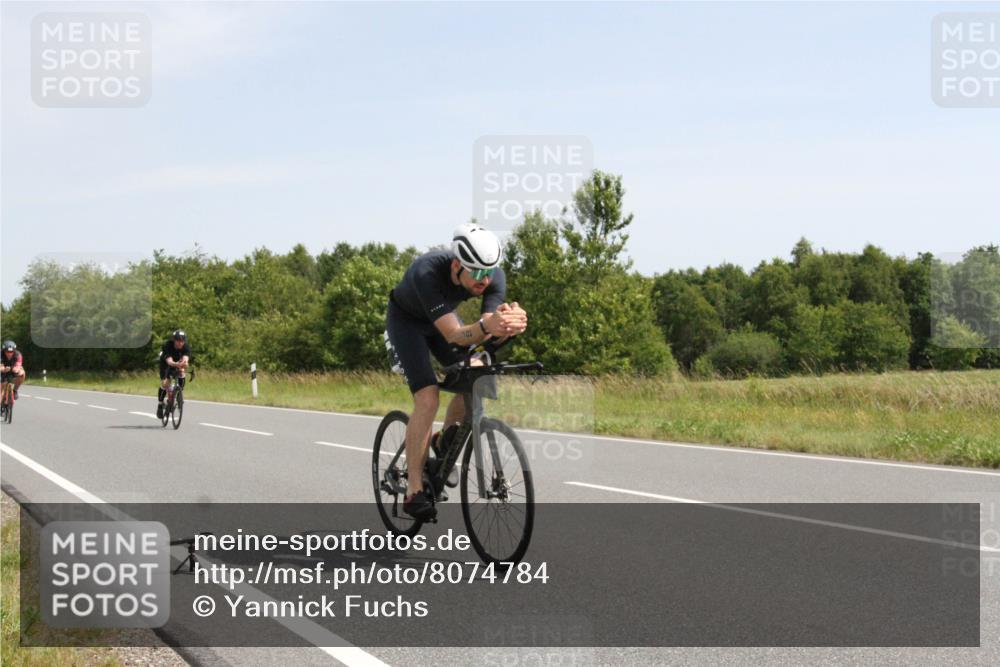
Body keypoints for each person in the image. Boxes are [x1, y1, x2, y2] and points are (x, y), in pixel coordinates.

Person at [385, 224, 528, 520]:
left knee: (477, 374)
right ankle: (414, 490)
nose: (484, 280)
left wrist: (508, 327)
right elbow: (454, 335)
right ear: (455, 265)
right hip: (408, 324)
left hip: (444, 324)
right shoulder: (426, 272)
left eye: (488, 272)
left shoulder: (491, 275)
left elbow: (487, 329)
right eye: (476, 273)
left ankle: (443, 440)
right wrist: (489, 327)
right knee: (428, 398)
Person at [157, 330, 191, 419]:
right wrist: (178, 364)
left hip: (177, 363)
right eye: (178, 340)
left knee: (182, 371)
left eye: (182, 341)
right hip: (166, 364)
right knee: (166, 383)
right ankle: (160, 405)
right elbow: (170, 362)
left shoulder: (186, 347)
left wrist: (184, 363)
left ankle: (179, 392)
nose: (180, 343)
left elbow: (185, 359)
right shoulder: (167, 345)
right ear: (174, 340)